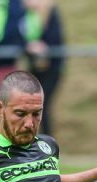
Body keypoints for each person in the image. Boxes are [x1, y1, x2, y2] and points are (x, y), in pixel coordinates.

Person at [21, 0, 64, 135]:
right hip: (34, 68)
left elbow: (56, 39)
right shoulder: (25, 15)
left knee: (41, 106)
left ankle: (46, 143)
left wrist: (42, 46)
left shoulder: (50, 13)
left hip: (51, 68)